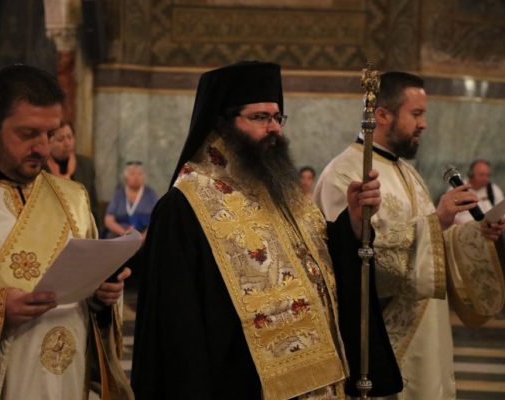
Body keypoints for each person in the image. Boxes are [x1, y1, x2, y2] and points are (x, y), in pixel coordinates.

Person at [131, 61, 402, 400]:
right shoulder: (184, 206)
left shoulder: (281, 190)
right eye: (260, 117)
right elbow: (176, 329)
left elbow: (320, 262)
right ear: (222, 123)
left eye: (277, 117)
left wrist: (354, 223)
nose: (274, 128)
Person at [0, 64, 133, 399]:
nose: (43, 148)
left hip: (64, 382)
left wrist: (102, 297)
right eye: (28, 134)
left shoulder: (73, 198)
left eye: (50, 134)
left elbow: (87, 303)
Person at [314, 71, 505, 400]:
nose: (424, 124)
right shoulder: (344, 174)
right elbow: (352, 261)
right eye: (416, 114)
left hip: (429, 331)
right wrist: (437, 220)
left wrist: (475, 233)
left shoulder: (408, 172)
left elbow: (433, 244)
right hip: (387, 336)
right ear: (382, 115)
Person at [455, 159, 505, 289]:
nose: (485, 178)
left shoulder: (493, 189)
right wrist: (470, 231)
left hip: (493, 233)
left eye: (488, 175)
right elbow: (452, 219)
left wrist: (500, 229)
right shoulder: (458, 189)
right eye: (481, 175)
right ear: (471, 174)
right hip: (467, 235)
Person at [47, 121, 99, 225]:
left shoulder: (85, 165)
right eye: (60, 139)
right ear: (49, 142)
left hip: (82, 223)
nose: (67, 143)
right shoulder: (41, 167)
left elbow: (93, 204)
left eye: (70, 137)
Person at [103, 161, 158, 237]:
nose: (136, 177)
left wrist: (143, 237)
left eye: (139, 174)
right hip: (121, 233)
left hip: (145, 234)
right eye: (132, 174)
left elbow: (157, 219)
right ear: (126, 177)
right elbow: (108, 220)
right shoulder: (119, 194)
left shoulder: (150, 194)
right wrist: (123, 233)